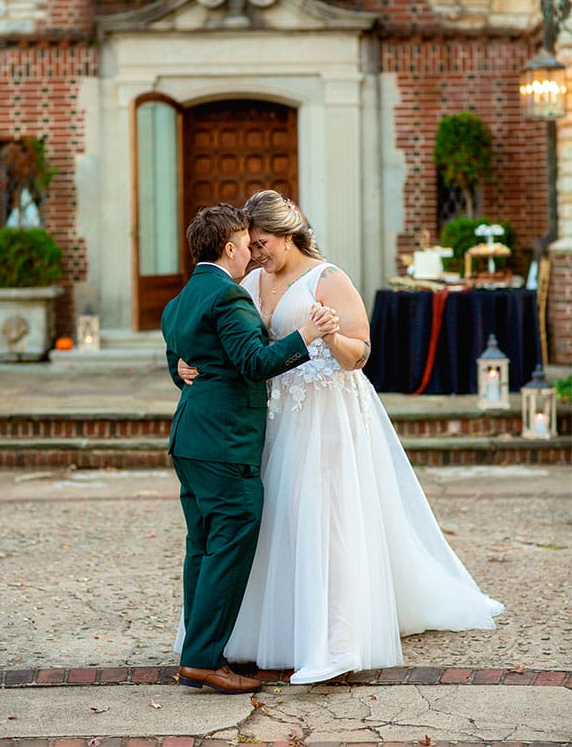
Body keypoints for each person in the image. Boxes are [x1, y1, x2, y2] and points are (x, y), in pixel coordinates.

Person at [179, 190, 504, 686]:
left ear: (287, 236)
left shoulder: (328, 279)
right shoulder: (247, 280)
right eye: (252, 243)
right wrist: (185, 364)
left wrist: (326, 335)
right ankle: (258, 632)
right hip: (270, 415)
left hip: (325, 414)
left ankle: (333, 640)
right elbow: (231, 343)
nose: (257, 251)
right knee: (273, 523)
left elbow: (360, 354)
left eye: (263, 242)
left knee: (324, 520)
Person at [161, 203, 338, 695]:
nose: (251, 254)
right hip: (224, 444)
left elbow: (177, 353)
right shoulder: (229, 298)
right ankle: (202, 660)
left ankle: (197, 652)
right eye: (246, 244)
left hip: (189, 440)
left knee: (201, 546)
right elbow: (254, 363)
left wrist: (180, 369)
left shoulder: (181, 300)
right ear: (229, 248)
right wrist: (307, 334)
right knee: (229, 544)